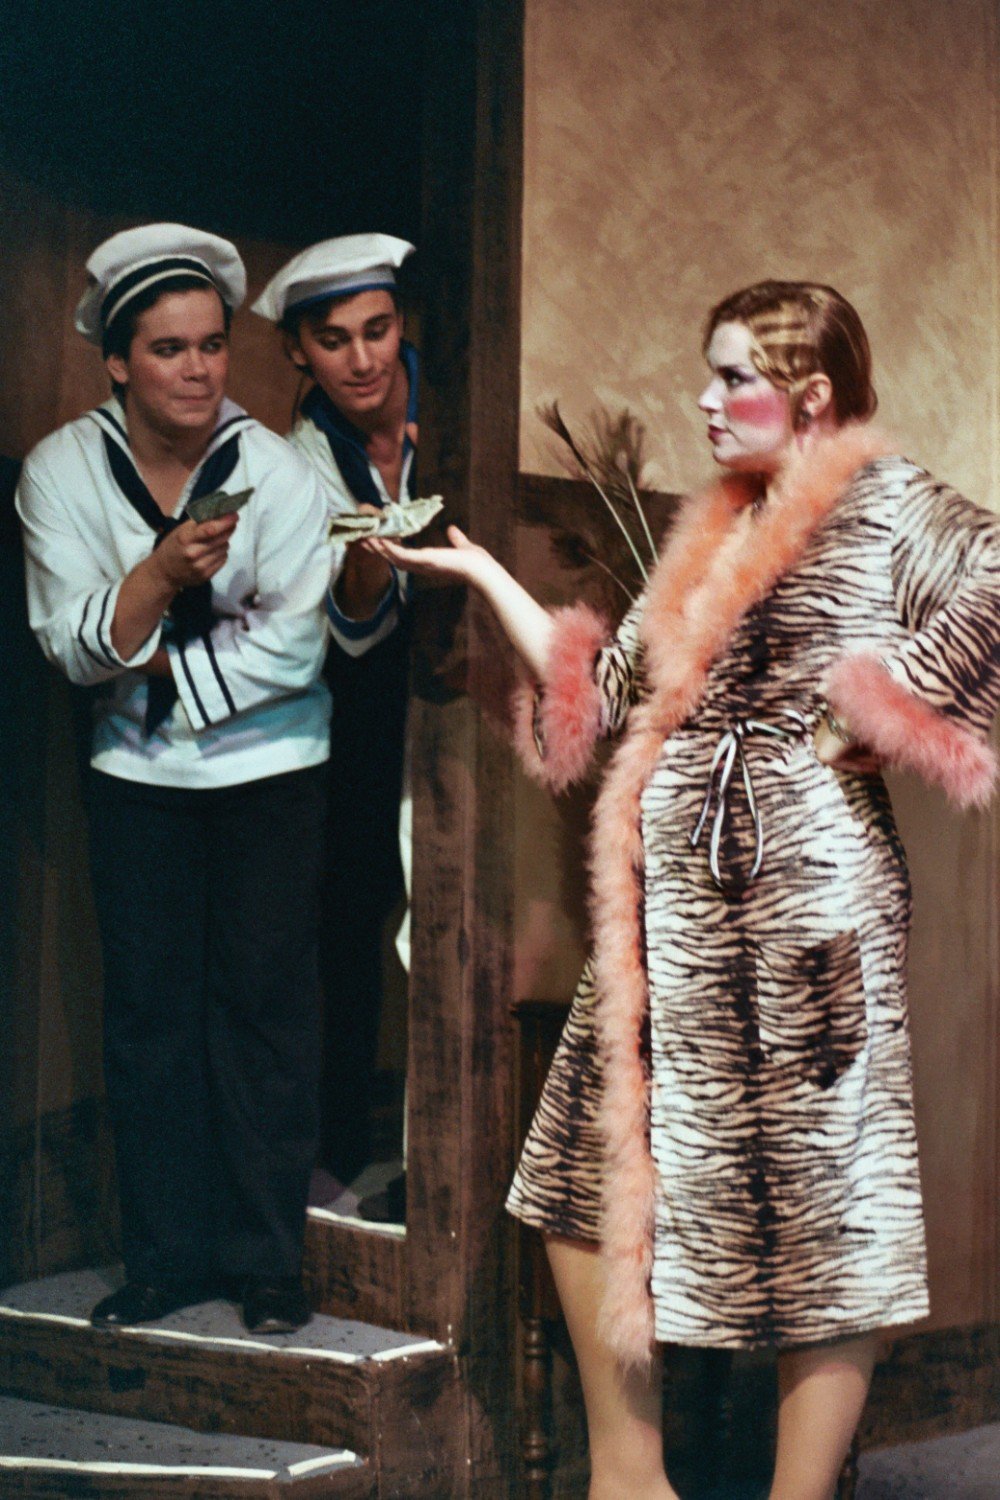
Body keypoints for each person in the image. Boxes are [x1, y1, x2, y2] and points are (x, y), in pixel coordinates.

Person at [371, 281, 1000, 1498]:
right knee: (580, 1173)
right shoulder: (719, 524)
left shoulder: (888, 502)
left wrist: (882, 706)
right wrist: (484, 572)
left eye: (733, 377)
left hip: (807, 909)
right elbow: (605, 690)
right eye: (708, 373)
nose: (705, 400)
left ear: (810, 395)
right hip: (667, 917)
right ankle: (631, 1481)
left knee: (826, 1203)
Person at [17, 224, 336, 1335]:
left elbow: (294, 648)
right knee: (150, 1017)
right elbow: (67, 644)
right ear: (117, 360)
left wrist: (144, 651)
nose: (199, 370)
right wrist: (155, 574)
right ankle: (164, 1259)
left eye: (211, 345)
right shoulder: (61, 472)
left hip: (272, 772)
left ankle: (267, 1263)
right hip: (136, 777)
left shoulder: (280, 472)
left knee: (265, 1013)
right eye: (168, 349)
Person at [253, 235, 416, 1217]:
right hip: (357, 702)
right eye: (333, 339)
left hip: (482, 679)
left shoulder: (457, 407)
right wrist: (369, 549)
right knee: (347, 919)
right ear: (297, 352)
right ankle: (336, 1148)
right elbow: (354, 628)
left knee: (462, 927)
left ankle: (439, 1161)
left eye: (377, 330)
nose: (361, 359)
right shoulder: (298, 462)